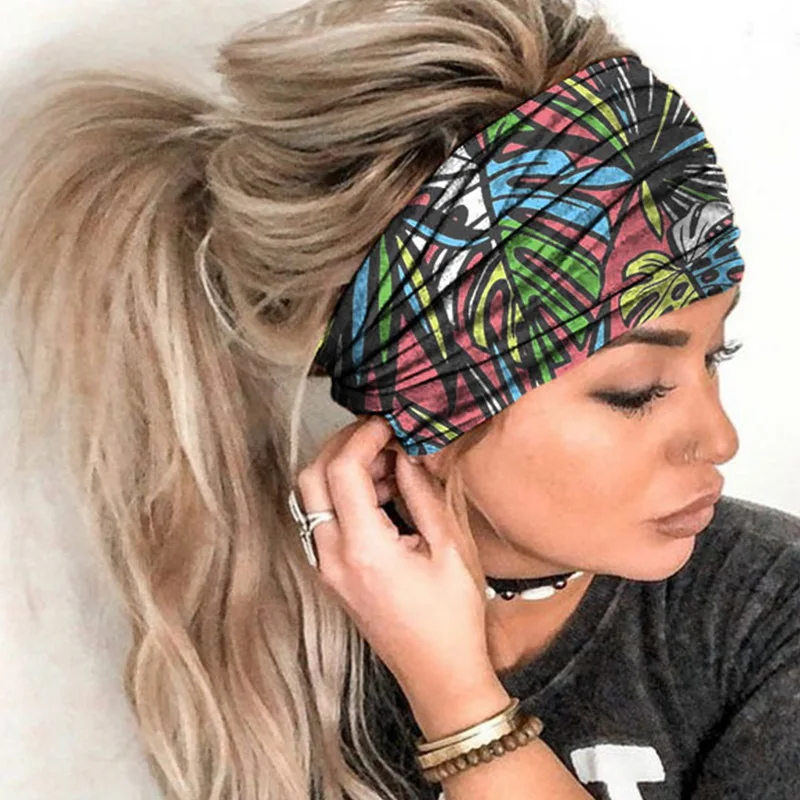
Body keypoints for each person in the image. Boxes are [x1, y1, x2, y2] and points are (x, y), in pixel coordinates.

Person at [0, 0, 797, 798]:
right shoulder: (272, 643)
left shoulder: (768, 615)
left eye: (716, 354)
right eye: (635, 392)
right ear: (429, 408)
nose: (720, 437)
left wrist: (459, 701)